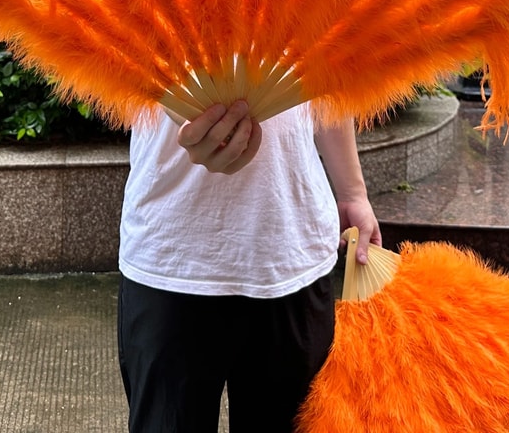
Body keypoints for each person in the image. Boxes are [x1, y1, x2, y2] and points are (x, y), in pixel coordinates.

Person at [117, 96, 382, 432]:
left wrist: (353, 192)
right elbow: (125, 69)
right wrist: (179, 102)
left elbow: (326, 80)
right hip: (172, 257)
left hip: (291, 248)